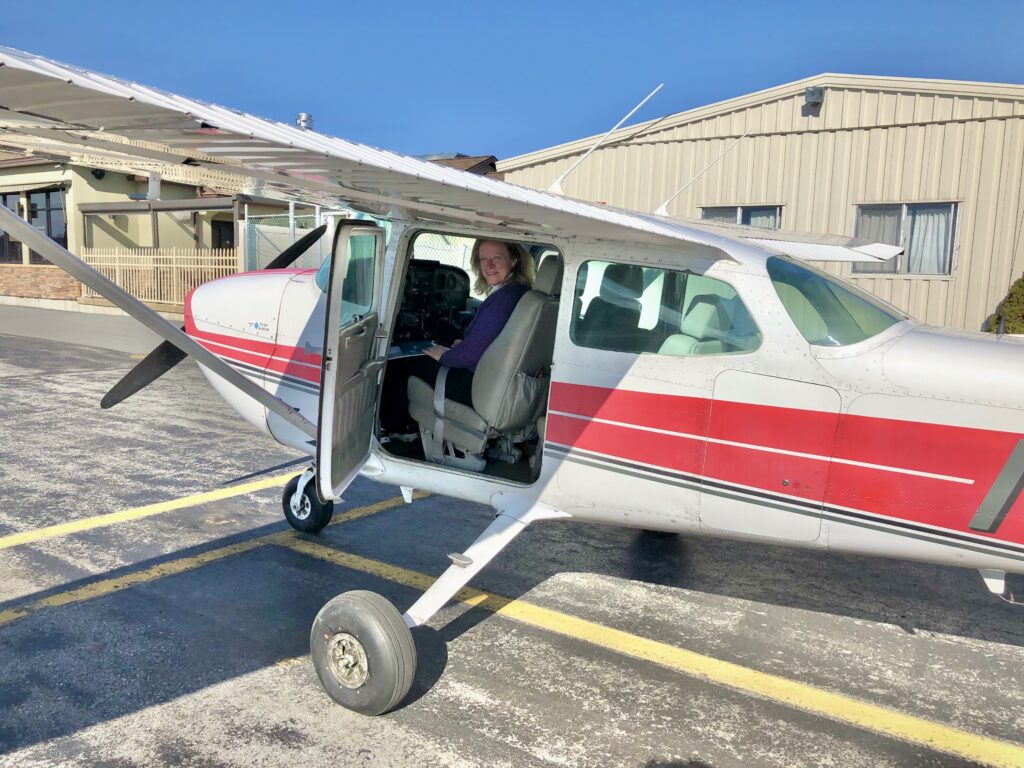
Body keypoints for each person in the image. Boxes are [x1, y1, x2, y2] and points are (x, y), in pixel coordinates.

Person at [410, 239, 534, 407]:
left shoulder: (503, 300)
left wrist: (444, 355)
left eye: (496, 258)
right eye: (483, 259)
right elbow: (495, 342)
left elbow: (469, 356)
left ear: (514, 260)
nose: (488, 266)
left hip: (476, 385)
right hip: (497, 380)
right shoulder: (521, 292)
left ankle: (402, 430)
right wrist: (465, 345)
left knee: (410, 363)